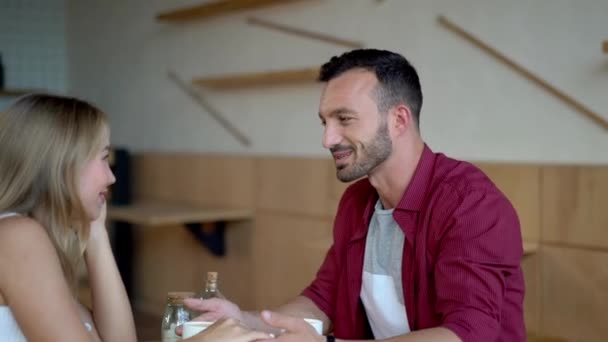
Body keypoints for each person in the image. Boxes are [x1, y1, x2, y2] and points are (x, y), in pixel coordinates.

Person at [185, 49, 526, 342]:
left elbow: (466, 334)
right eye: (324, 122)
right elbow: (324, 301)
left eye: (344, 119)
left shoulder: (470, 203)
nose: (328, 138)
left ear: (399, 119)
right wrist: (246, 321)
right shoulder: (357, 201)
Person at [0, 94, 270, 342]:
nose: (112, 177)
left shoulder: (31, 239)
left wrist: (96, 235)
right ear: (64, 164)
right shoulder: (17, 235)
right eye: (105, 158)